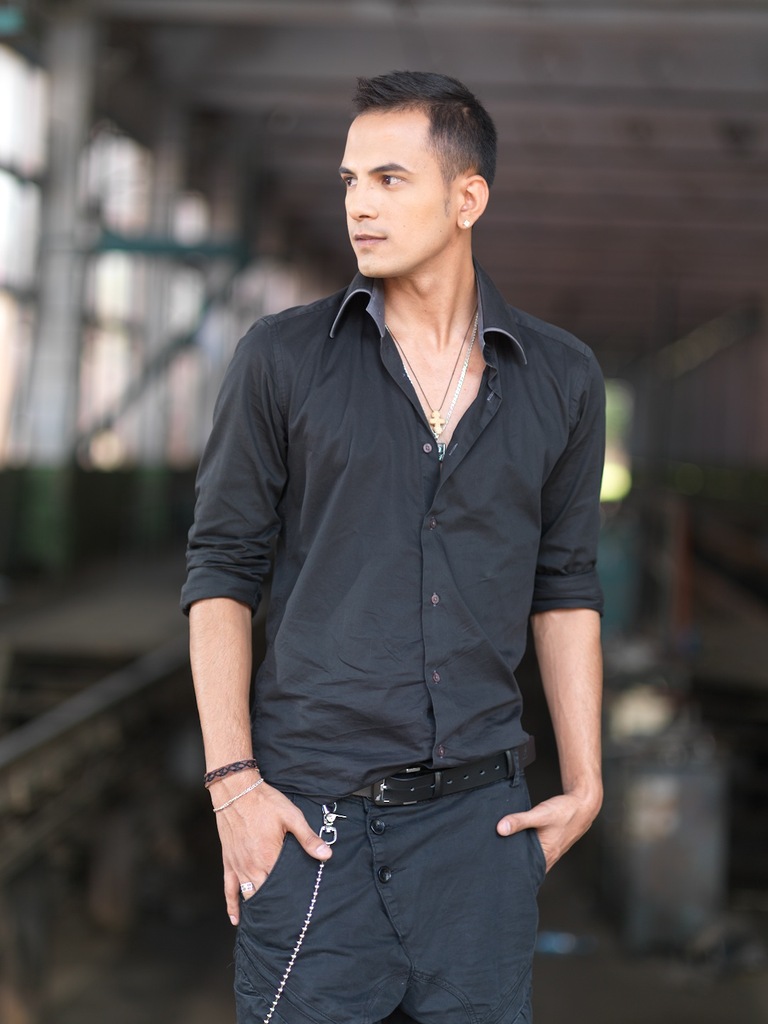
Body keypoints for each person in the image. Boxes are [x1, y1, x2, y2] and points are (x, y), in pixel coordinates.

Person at [182, 70, 605, 1024]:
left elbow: (566, 584)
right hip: (314, 828)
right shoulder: (281, 358)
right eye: (348, 181)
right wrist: (232, 785)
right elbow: (221, 569)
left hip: (482, 833)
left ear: (468, 198)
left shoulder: (564, 378)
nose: (359, 206)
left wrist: (585, 784)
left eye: (388, 179)